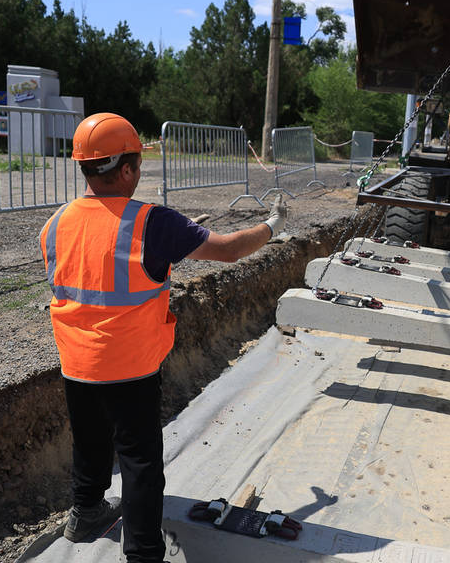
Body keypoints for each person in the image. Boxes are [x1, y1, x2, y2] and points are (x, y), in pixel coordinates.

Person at [39, 113, 287, 563]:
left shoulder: (57, 222)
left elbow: (86, 271)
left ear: (85, 167)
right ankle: (144, 553)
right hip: (130, 366)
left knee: (90, 440)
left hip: (76, 361)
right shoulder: (152, 223)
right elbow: (229, 250)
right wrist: (272, 226)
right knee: (140, 462)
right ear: (129, 169)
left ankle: (85, 514)